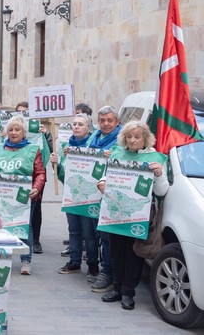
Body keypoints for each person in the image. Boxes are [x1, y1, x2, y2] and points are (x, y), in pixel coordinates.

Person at [99, 121, 168, 310]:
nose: (132, 140)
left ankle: (129, 293)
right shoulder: (117, 154)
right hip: (116, 212)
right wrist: (102, 182)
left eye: (137, 136)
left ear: (145, 138)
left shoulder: (156, 157)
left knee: (134, 254)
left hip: (140, 214)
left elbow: (162, 191)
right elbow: (107, 176)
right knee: (116, 253)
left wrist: (160, 174)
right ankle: (117, 288)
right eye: (129, 136)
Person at [0, 115, 46, 275]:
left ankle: (26, 261)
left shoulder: (33, 150)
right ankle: (0, 257)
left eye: (17, 129)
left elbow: (40, 173)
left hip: (25, 196)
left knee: (24, 226)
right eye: (11, 130)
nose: (14, 133)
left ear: (24, 132)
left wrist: (37, 187)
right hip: (1, 195)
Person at [50, 113, 100, 279]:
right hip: (71, 195)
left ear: (88, 129)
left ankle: (93, 265)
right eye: (74, 124)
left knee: (89, 233)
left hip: (88, 197)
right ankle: (74, 262)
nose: (76, 127)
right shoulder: (66, 147)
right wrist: (55, 164)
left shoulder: (94, 146)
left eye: (81, 124)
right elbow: (63, 176)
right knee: (74, 231)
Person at [88, 105, 122, 293]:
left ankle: (108, 272)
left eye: (110, 120)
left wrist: (115, 156)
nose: (106, 124)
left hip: (114, 196)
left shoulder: (122, 140)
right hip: (92, 193)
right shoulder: (94, 137)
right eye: (102, 120)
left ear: (117, 122)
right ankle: (101, 268)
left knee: (108, 237)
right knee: (97, 234)